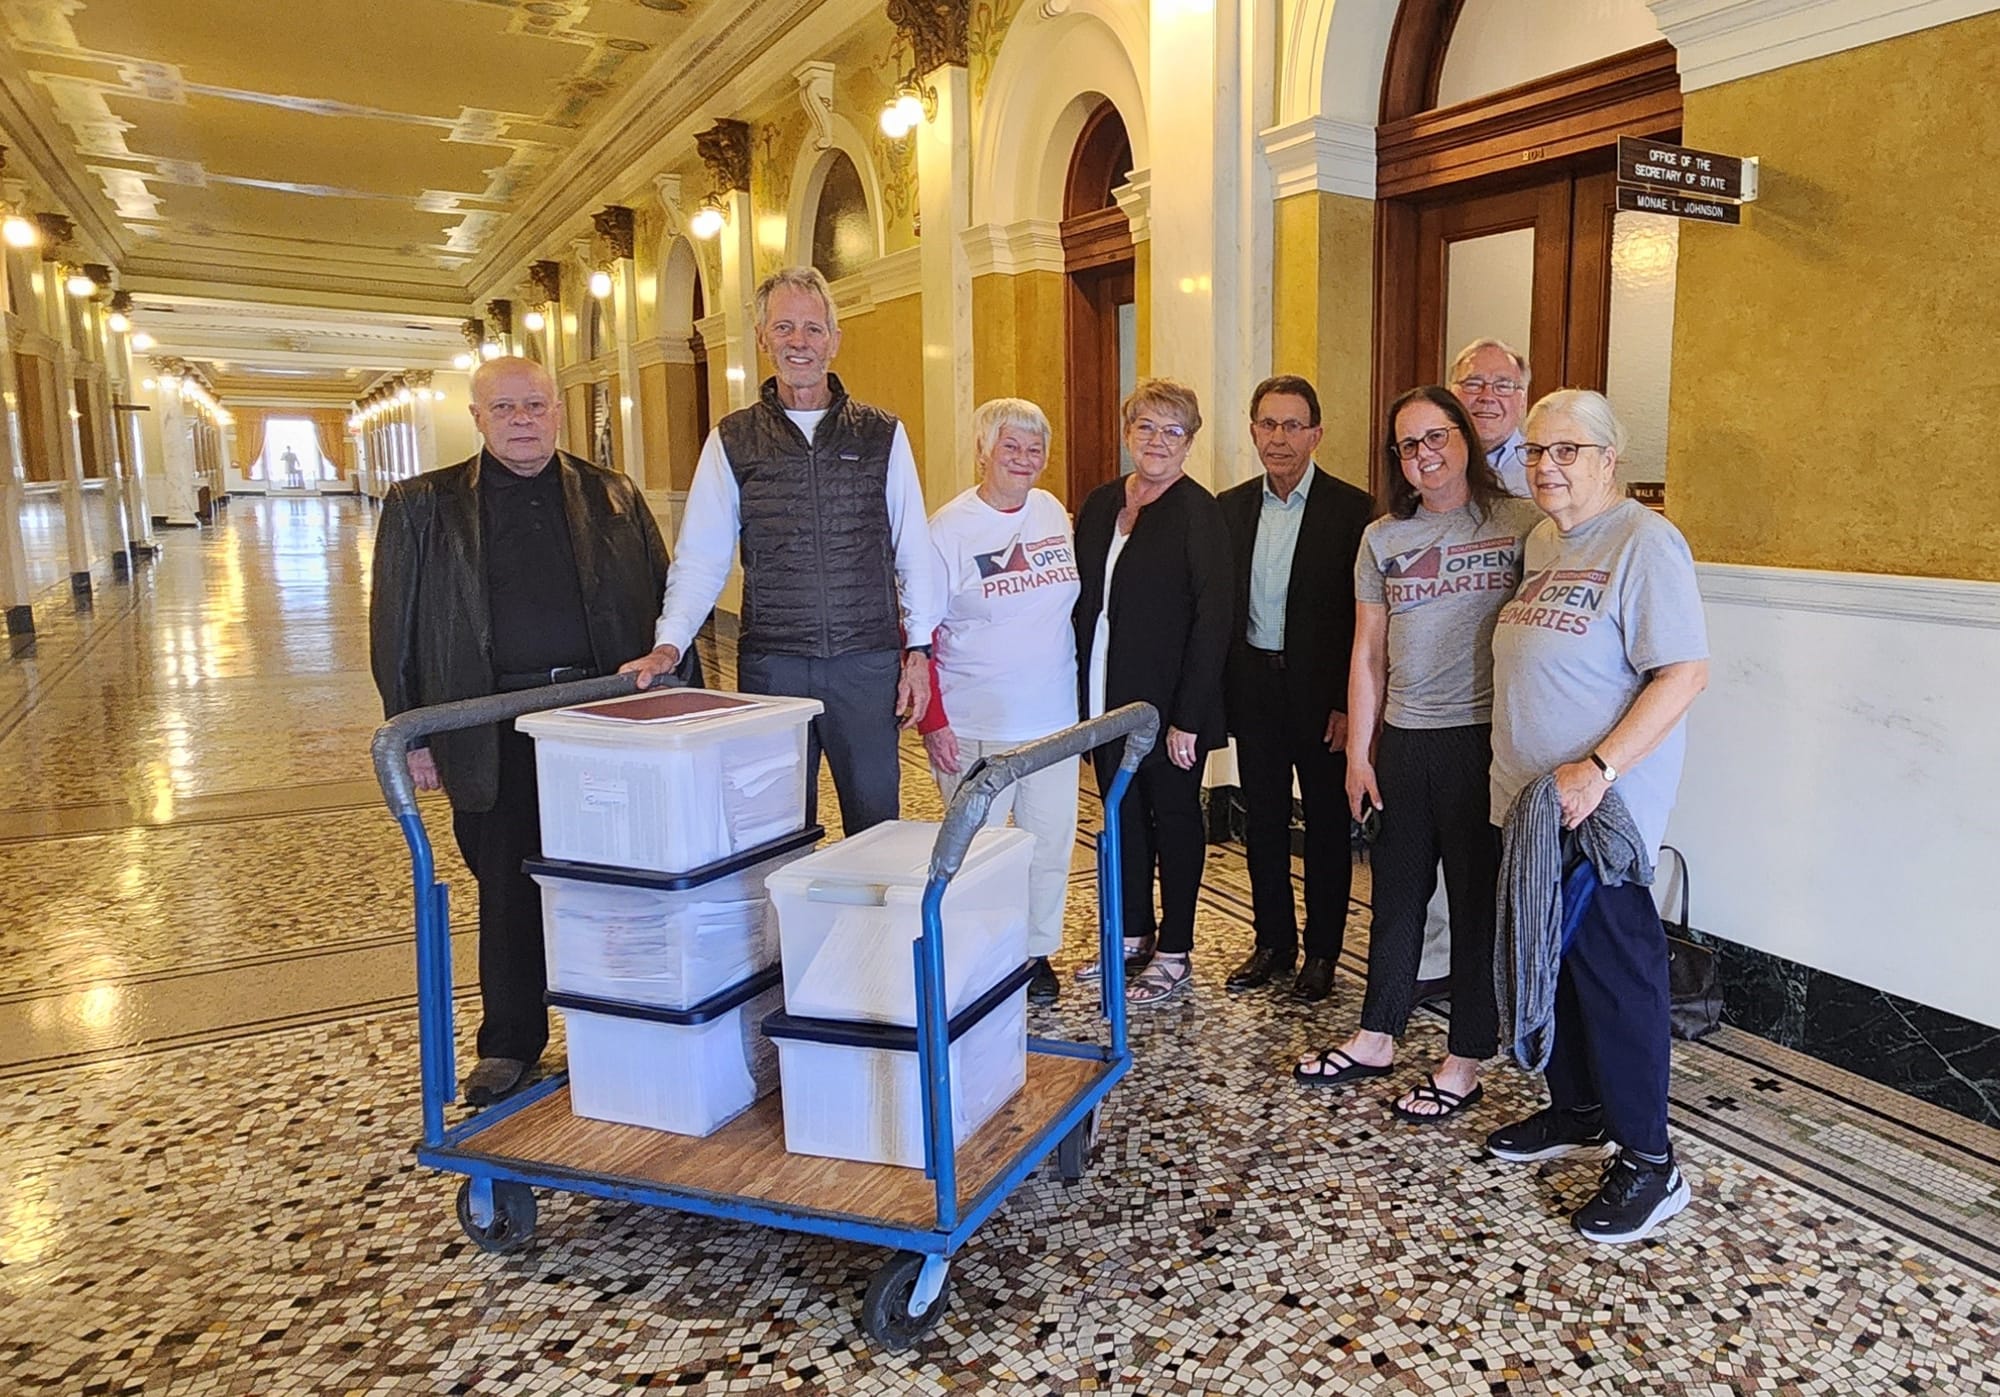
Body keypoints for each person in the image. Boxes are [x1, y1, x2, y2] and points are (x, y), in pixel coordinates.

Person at [369, 356, 695, 1106]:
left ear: (558, 411)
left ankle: (616, 1019)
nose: (523, 418)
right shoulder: (425, 504)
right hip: (489, 722)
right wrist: (414, 734)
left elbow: (664, 599)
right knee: (508, 886)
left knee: (613, 879)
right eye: (506, 407)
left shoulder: (612, 494)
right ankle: (510, 1043)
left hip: (596, 717)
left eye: (536, 405)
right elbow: (394, 631)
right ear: (478, 416)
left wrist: (679, 701)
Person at [1484, 388, 1709, 1245]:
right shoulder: (1546, 539)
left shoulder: (1645, 542)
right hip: (1536, 806)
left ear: (1610, 459)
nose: (1548, 466)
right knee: (1560, 964)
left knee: (1619, 981)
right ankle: (1576, 1109)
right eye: (1537, 451)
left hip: (1600, 811)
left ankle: (1653, 1164)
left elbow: (1683, 673)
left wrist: (1601, 766)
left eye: (1567, 451)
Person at [1292, 387, 1540, 1121]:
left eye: (1437, 436)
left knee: (1472, 903)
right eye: (1408, 444)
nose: (1425, 454)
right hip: (1403, 738)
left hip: (1482, 743)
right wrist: (1359, 756)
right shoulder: (1383, 539)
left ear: (1465, 437)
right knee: (1396, 895)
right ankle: (1377, 1033)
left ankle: (1465, 1058)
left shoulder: (1520, 525)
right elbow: (1366, 652)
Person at [622, 266, 938, 834]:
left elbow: (913, 546)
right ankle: (782, 927)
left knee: (876, 825)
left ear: (834, 341)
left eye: (813, 330)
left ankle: (868, 926)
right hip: (773, 666)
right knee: (774, 824)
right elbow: (702, 555)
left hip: (865, 664)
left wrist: (919, 651)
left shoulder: (881, 434)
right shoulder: (733, 439)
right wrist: (669, 643)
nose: (800, 343)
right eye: (784, 328)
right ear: (763, 340)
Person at [1071, 378, 1231, 1007]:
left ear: (1190, 441)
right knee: (1121, 818)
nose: (1157, 441)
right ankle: (1132, 935)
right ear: (1126, 429)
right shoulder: (1103, 501)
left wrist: (1188, 717)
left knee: (1175, 821)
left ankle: (1174, 950)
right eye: (1146, 427)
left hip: (1170, 710)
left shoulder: (1199, 513)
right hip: (1104, 696)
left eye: (1173, 431)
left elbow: (1213, 620)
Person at [919, 399, 1080, 1005]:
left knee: (1046, 845)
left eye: (1034, 447)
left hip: (1053, 720)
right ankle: (982, 953)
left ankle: (1036, 953)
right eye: (1010, 445)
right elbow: (919, 634)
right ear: (983, 450)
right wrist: (933, 722)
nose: (1023, 458)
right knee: (978, 853)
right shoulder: (947, 531)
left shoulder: (1051, 513)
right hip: (975, 721)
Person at [1217, 376, 1372, 1002]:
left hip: (1322, 698)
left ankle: (1323, 953)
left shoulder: (1354, 511)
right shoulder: (1227, 508)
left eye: (1292, 425)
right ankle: (1273, 942)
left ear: (1316, 434)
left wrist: (1348, 704)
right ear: (1253, 430)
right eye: (1267, 424)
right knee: (1264, 821)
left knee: (1328, 829)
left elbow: (1364, 619)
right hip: (1255, 686)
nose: (1278, 438)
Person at [1449, 339, 1532, 498]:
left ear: (1523, 400)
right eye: (1473, 384)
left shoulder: (1544, 469)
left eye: (1503, 386)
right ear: (1451, 394)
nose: (1487, 397)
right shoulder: (1429, 460)